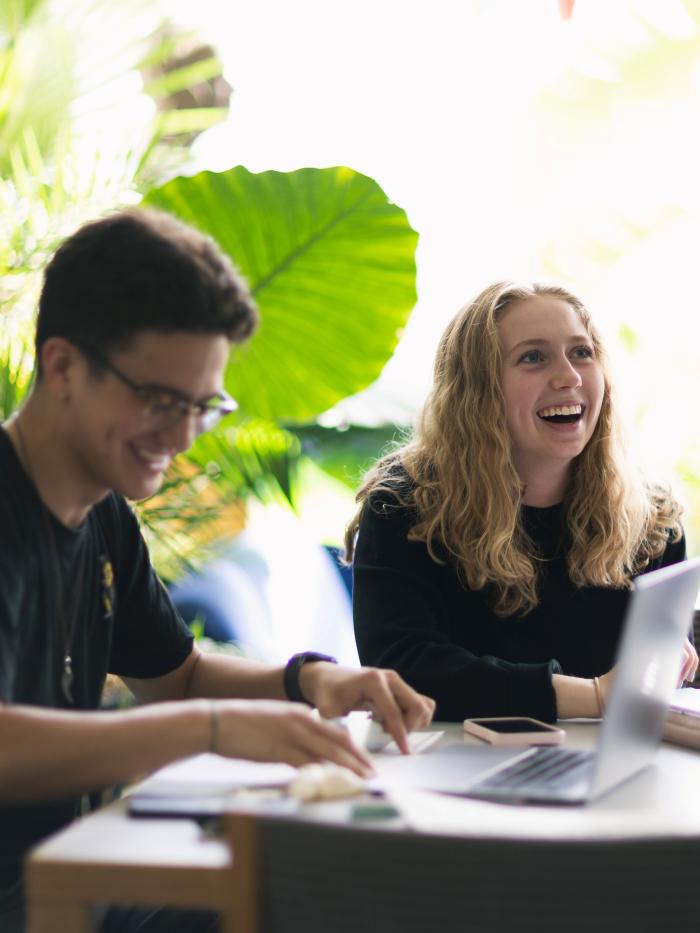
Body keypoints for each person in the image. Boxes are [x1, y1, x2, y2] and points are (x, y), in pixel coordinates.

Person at [0, 209, 435, 933]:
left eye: (203, 406)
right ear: (63, 365)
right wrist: (209, 729)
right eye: (161, 400)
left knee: (328, 888)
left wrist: (310, 681)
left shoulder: (102, 514)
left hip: (66, 870)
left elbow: (179, 675)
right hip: (26, 897)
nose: (180, 436)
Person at [346, 280, 698, 724]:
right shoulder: (404, 506)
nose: (568, 377)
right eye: (533, 357)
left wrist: (669, 666)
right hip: (448, 772)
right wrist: (594, 696)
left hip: (604, 770)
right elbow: (401, 670)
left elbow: (652, 684)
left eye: (581, 352)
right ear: (477, 390)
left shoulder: (652, 521)